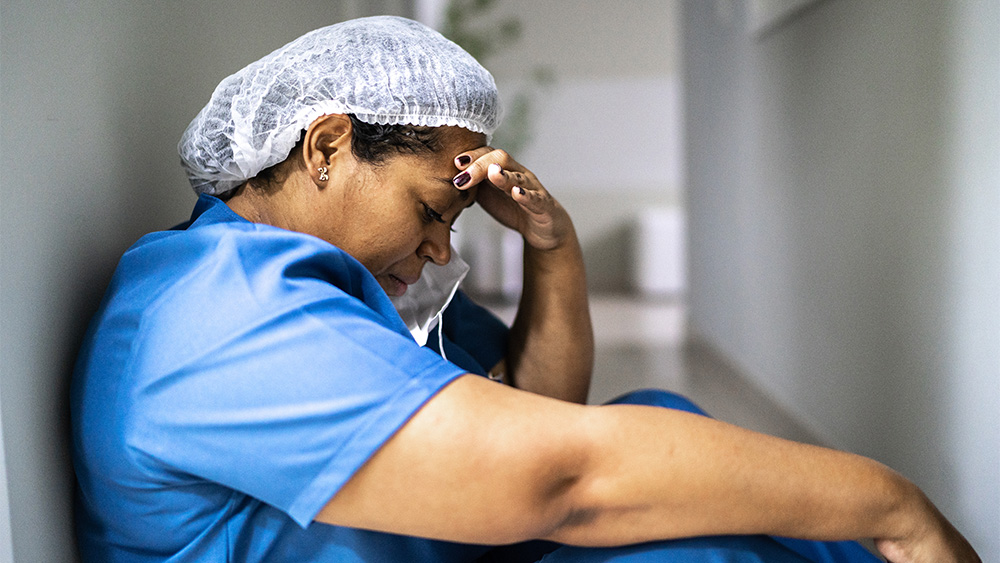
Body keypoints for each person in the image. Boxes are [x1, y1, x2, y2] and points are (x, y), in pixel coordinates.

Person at [70, 15, 979, 563]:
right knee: (698, 540)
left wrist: (554, 244)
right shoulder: (223, 310)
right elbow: (562, 472)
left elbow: (543, 407)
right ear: (325, 147)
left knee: (662, 416)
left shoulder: (337, 284)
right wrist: (889, 501)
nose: (437, 249)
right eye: (432, 207)